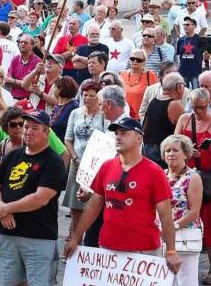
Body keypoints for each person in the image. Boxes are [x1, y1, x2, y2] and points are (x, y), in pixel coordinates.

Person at [64, 117, 182, 276]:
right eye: (117, 133)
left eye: (124, 133)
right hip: (108, 245)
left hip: (143, 249)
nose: (118, 137)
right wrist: (76, 238)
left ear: (139, 139)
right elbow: (93, 205)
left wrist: (172, 250)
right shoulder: (106, 167)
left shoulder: (154, 172)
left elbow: (166, 216)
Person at [0, 110, 68, 285]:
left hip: (38, 237)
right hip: (8, 235)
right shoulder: (13, 156)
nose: (28, 131)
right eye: (26, 127)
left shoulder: (53, 162)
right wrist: (0, 205)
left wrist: (6, 208)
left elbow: (41, 198)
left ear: (47, 132)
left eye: (34, 128)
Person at [62, 80, 105, 240]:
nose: (87, 98)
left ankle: (91, 240)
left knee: (93, 203)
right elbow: (68, 139)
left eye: (92, 96)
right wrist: (74, 157)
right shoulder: (75, 113)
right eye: (85, 95)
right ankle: (76, 240)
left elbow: (107, 139)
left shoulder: (102, 115)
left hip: (96, 166)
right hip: (77, 163)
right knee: (76, 205)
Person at [175, 87, 211, 276]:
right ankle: (180, 266)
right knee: (184, 219)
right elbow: (173, 144)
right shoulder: (185, 119)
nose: (198, 111)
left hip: (207, 177)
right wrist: (189, 153)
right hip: (184, 176)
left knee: (210, 225)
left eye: (202, 107)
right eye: (195, 107)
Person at [161, 135, 204, 286]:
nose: (171, 153)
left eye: (175, 150)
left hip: (184, 235)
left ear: (186, 154)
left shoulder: (193, 177)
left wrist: (172, 227)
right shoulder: (161, 174)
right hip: (162, 237)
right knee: (165, 281)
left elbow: (194, 212)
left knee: (187, 281)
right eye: (167, 150)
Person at [142, 73, 186, 168]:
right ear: (179, 87)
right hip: (163, 152)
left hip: (147, 149)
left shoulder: (154, 100)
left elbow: (144, 125)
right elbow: (185, 129)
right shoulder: (175, 105)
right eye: (183, 85)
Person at [6, 34, 42, 100]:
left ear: (32, 46)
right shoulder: (15, 59)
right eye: (21, 42)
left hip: (29, 98)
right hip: (13, 97)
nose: (22, 44)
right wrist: (24, 84)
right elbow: (7, 80)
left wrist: (14, 82)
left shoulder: (38, 62)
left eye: (25, 42)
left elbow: (33, 84)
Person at [178, 16, 204, 89]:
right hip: (183, 71)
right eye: (184, 25)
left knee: (196, 93)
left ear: (194, 26)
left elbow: (205, 55)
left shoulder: (200, 40)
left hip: (195, 71)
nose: (185, 26)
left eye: (188, 25)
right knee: (183, 94)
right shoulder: (180, 40)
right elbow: (179, 56)